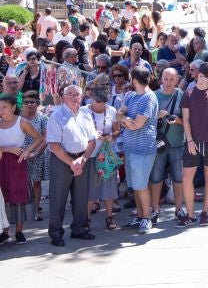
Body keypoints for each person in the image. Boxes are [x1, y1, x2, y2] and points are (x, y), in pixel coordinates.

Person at [46, 85, 98, 246]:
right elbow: (54, 145)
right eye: (71, 94)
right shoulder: (56, 115)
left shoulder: (86, 113)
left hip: (83, 159)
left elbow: (92, 140)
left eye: (78, 94)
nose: (75, 97)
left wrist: (81, 160)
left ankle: (79, 229)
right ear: (63, 96)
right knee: (58, 198)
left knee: (82, 197)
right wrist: (72, 162)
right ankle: (56, 233)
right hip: (61, 161)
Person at [179, 62, 208, 227]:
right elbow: (186, 119)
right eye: (202, 76)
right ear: (198, 74)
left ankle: (205, 212)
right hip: (193, 140)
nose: (204, 79)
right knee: (187, 177)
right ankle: (190, 214)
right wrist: (189, 140)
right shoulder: (188, 93)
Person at [117, 67, 160, 233]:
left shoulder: (149, 98)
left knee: (141, 185)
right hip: (129, 148)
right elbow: (119, 115)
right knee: (135, 185)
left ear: (134, 80)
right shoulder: (131, 95)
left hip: (143, 148)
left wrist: (125, 121)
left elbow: (139, 124)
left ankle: (147, 218)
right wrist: (127, 120)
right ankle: (140, 216)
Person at [0, 93, 43, 244]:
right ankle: (4, 231)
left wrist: (27, 151)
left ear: (13, 107)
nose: (1, 110)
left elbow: (39, 137)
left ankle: (19, 231)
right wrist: (6, 149)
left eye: (4, 107)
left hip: (17, 164)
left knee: (18, 196)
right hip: (1, 162)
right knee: (3, 197)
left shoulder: (22, 122)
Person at [84, 76, 122, 232]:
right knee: (90, 189)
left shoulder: (112, 110)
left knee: (109, 187)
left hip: (107, 153)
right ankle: (85, 219)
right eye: (97, 102)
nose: (100, 105)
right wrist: (92, 133)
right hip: (90, 153)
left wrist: (111, 136)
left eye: (103, 102)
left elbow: (117, 130)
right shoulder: (84, 110)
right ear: (92, 98)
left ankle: (109, 216)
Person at [148, 68, 185, 225]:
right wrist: (157, 116)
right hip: (158, 143)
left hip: (177, 142)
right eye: (166, 78)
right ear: (161, 79)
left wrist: (177, 120)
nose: (169, 82)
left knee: (178, 177)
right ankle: (155, 210)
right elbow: (146, 121)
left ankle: (179, 209)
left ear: (177, 80)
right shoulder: (153, 96)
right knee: (156, 178)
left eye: (172, 79)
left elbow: (188, 121)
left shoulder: (181, 95)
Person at [21, 90, 48, 223]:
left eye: (33, 102)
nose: (30, 104)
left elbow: (46, 137)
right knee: (21, 183)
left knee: (36, 183)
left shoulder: (43, 118)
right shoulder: (17, 117)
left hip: (38, 153)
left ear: (38, 103)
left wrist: (36, 152)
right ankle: (21, 210)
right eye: (27, 102)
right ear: (22, 103)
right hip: (19, 155)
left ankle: (36, 209)